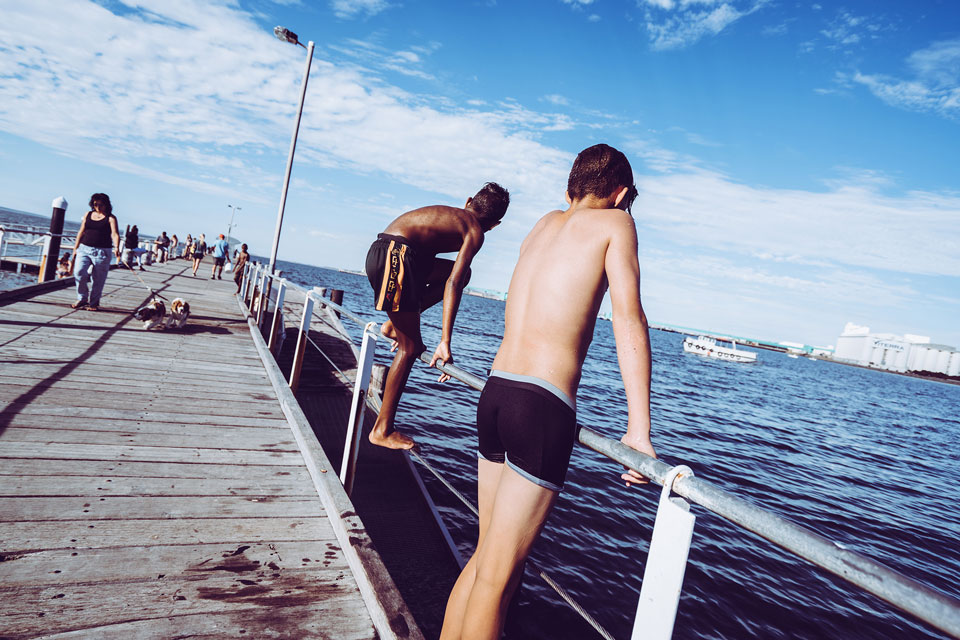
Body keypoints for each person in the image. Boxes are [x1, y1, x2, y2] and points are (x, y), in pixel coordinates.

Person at [439, 145, 656, 640]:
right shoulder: (616, 225)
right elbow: (628, 318)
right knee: (498, 579)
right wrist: (638, 432)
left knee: (482, 562)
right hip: (540, 406)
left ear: (570, 189)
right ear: (620, 195)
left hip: (495, 394)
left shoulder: (542, 224)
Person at [365, 182, 510, 450]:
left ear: (468, 201)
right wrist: (445, 341)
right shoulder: (474, 231)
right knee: (411, 349)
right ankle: (382, 429)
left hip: (386, 251)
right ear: (495, 224)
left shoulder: (450, 217)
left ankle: (392, 325)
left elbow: (449, 274)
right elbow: (453, 283)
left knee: (465, 273)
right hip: (397, 256)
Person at [70, 193, 121, 311]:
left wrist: (117, 247)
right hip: (84, 249)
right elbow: (81, 231)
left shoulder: (111, 218)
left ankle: (93, 303)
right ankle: (82, 298)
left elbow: (114, 234)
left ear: (106, 205)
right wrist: (75, 248)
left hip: (102, 252)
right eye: (95, 204)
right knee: (78, 273)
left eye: (101, 205)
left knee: (98, 279)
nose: (98, 207)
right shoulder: (88, 214)